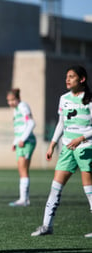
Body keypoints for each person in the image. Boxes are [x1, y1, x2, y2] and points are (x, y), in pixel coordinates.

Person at [31, 65, 92, 237]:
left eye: (72, 76)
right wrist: (52, 144)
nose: (67, 79)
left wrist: (81, 138)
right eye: (67, 76)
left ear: (82, 79)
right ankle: (46, 226)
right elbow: (61, 123)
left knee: (89, 190)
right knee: (55, 187)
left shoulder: (89, 99)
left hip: (86, 148)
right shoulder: (63, 98)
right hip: (67, 149)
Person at [6, 88, 36, 207]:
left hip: (27, 142)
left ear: (18, 98)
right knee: (21, 170)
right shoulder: (16, 110)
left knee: (23, 170)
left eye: (13, 100)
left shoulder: (23, 106)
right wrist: (15, 142)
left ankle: (24, 200)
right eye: (9, 100)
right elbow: (19, 128)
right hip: (21, 143)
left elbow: (31, 123)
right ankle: (23, 199)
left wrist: (22, 139)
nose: (10, 103)